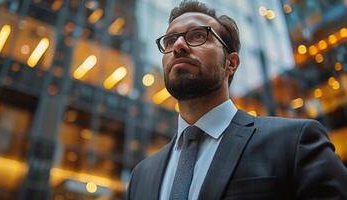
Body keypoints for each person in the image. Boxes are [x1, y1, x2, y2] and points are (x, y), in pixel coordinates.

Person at [126, 1, 347, 200]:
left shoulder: (294, 142)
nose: (178, 46)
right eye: (170, 39)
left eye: (197, 35)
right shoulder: (142, 176)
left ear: (230, 64)